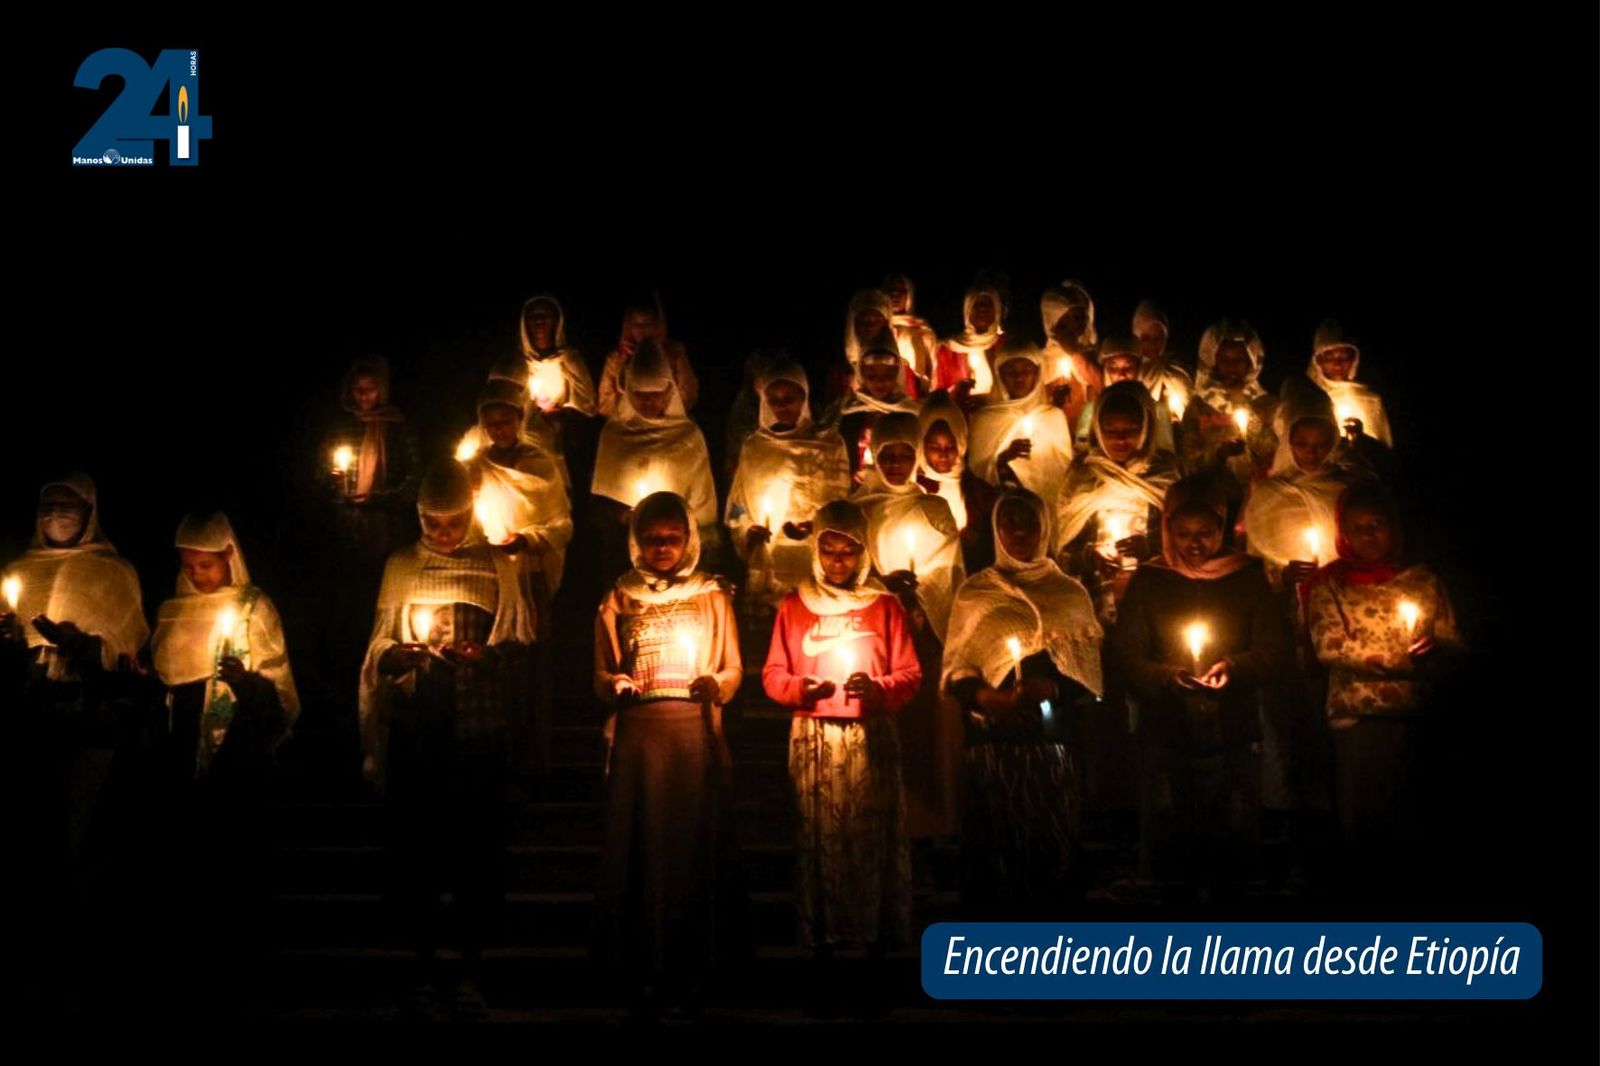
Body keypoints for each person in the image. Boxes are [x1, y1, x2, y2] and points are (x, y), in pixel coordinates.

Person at [358, 460, 536, 1022]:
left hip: (478, 729)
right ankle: (422, 968)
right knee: (418, 856)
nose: (443, 535)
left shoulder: (494, 563)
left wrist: (489, 656)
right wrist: (396, 657)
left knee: (476, 858)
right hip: (420, 729)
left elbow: (520, 638)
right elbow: (379, 644)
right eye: (432, 525)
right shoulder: (402, 565)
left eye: (452, 523)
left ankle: (470, 971)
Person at [761, 500, 919, 1016]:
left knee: (868, 836)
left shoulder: (884, 605)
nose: (836, 560)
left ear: (862, 551)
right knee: (819, 838)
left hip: (869, 736)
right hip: (813, 736)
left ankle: (873, 940)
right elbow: (773, 674)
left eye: (846, 551)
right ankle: (823, 942)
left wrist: (877, 690)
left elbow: (910, 674)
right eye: (827, 550)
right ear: (815, 550)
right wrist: (800, 688)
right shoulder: (795, 604)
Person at [594, 491, 742, 1017]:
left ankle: (694, 963)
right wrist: (616, 684)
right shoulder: (620, 597)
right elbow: (603, 670)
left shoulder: (711, 595)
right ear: (636, 541)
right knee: (643, 847)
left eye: (672, 539)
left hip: (692, 731)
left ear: (688, 540)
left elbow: (732, 668)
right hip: (641, 736)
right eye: (652, 539)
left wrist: (714, 683)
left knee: (689, 845)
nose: (662, 548)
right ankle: (642, 964)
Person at [1109, 478, 1290, 902]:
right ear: (1167, 530)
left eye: (1206, 533)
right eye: (1184, 534)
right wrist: (1168, 678)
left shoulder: (1246, 577)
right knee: (1172, 847)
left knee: (1233, 840)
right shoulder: (1151, 580)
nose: (1195, 544)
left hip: (1232, 729)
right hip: (1167, 732)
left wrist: (1234, 668)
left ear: (1222, 527)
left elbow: (1273, 649)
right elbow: (1128, 655)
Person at [148, 511, 300, 1010]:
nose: (197, 575)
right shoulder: (173, 610)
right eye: (189, 566)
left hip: (236, 756)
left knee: (236, 868)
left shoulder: (254, 608)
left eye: (207, 565)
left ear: (229, 557)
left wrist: (243, 681)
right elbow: (162, 680)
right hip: (178, 755)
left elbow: (277, 691)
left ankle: (244, 975)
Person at [941, 490, 1104, 913]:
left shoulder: (1069, 594)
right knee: (995, 847)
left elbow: (1089, 676)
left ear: (1044, 527)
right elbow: (957, 668)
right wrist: (982, 696)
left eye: (1027, 522)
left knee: (1049, 844)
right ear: (995, 529)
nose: (1018, 532)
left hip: (1051, 742)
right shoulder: (975, 593)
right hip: (992, 742)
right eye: (1008, 522)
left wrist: (1053, 690)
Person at [1304, 482, 1462, 877]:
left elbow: (1450, 639)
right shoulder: (1330, 585)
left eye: (1379, 524)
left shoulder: (1422, 579)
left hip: (1417, 714)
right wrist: (1401, 661)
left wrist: (1436, 653)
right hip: (1359, 715)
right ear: (1344, 534)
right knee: (1365, 819)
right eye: (1359, 527)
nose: (1371, 535)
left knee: (1413, 817)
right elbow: (1330, 646)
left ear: (1394, 526)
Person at [852, 411, 966, 842]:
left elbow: (949, 573)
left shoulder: (933, 509)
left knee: (922, 739)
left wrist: (921, 599)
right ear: (874, 457)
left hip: (923, 639)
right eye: (888, 455)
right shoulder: (858, 510)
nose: (897, 463)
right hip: (874, 641)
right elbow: (849, 572)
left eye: (905, 454)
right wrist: (882, 587)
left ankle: (928, 832)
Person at [724, 360, 850, 614]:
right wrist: (750, 531)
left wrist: (816, 526)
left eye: (789, 398)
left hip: (815, 558)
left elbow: (842, 500)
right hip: (770, 562)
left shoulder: (829, 444)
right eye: (775, 399)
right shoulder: (754, 448)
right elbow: (738, 506)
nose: (782, 406)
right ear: (764, 401)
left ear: (804, 397)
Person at [591, 339, 720, 582]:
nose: (647, 401)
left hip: (676, 546)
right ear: (628, 391)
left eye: (655, 394)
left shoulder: (688, 435)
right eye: (639, 394)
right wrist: (621, 514)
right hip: (624, 548)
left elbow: (701, 498)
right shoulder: (614, 434)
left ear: (669, 391)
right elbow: (599, 498)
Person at [1057, 380, 1180, 623]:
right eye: (1110, 430)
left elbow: (1184, 540)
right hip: (1093, 599)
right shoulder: (1082, 474)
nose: (1121, 439)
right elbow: (1064, 547)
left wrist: (1152, 548)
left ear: (1147, 427)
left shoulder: (1165, 474)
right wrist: (1090, 555)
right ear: (1097, 429)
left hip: (1154, 597)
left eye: (1132, 429)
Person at [967, 338, 1074, 553]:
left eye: (1027, 370)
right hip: (1005, 521)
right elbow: (977, 476)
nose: (1019, 377)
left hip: (1046, 514)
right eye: (1011, 371)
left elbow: (1063, 474)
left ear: (1037, 373)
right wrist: (1003, 461)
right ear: (999, 375)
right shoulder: (984, 419)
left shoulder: (1053, 417)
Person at [320, 356, 420, 563]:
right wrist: (334, 483)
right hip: (347, 528)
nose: (364, 395)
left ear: (382, 389)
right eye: (357, 388)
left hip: (390, 528)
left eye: (371, 388)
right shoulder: (341, 427)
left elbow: (415, 476)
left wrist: (378, 499)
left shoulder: (399, 427)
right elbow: (322, 471)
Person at [1178, 318, 1278, 513]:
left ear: (1251, 361)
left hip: (1257, 498)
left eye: (1238, 360)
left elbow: (1273, 454)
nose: (1232, 366)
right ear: (1213, 361)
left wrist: (1247, 412)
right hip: (1210, 498)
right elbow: (1188, 457)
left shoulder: (1266, 404)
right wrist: (1219, 455)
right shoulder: (1199, 405)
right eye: (1225, 360)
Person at [916, 390, 999, 574]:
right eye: (934, 447)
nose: (943, 454)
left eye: (950, 446)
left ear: (961, 443)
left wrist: (977, 540)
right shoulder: (914, 489)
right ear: (922, 445)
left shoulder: (977, 491)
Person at [823, 345, 921, 479]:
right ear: (861, 376)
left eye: (888, 376)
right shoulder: (848, 412)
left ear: (898, 376)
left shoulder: (909, 413)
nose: (880, 382)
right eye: (872, 376)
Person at [597, 294, 699, 418]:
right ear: (629, 326)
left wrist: (660, 410)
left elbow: (689, 395)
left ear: (657, 325)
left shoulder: (674, 353)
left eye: (647, 324)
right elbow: (605, 404)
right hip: (628, 425)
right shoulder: (616, 359)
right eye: (637, 325)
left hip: (669, 423)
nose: (642, 330)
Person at [1075, 334, 1175, 452]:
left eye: (1128, 367)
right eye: (1113, 368)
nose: (1121, 374)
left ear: (1138, 367)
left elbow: (1166, 454)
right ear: (1105, 369)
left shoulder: (1158, 411)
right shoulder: (1091, 410)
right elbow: (1081, 452)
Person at [1307, 318, 1394, 450]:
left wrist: (1361, 440)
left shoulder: (1370, 400)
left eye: (1344, 356)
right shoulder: (1309, 399)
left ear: (1354, 359)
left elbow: (1384, 450)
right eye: (1329, 357)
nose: (1337, 363)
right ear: (1318, 360)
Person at [1040, 280, 1104, 432]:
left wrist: (1075, 353)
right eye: (1069, 318)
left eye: (1080, 316)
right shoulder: (1042, 361)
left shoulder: (1098, 354)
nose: (1078, 323)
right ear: (1054, 321)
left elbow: (1106, 388)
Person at [931, 285, 1005, 399]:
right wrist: (956, 390)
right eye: (977, 304)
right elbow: (937, 396)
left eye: (988, 304)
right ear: (967, 309)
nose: (982, 308)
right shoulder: (948, 349)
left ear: (997, 310)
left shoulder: (1004, 346)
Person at [1131, 298, 1194, 429]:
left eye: (1158, 338)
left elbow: (1189, 412)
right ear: (1136, 336)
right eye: (1146, 338)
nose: (1153, 344)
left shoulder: (1176, 369)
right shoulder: (1129, 371)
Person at [883, 272, 938, 397]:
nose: (895, 294)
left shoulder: (921, 330)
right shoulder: (878, 328)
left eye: (900, 290)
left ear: (909, 295)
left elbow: (932, 370)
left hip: (914, 395)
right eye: (891, 289)